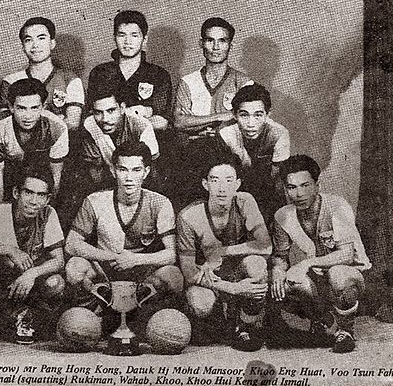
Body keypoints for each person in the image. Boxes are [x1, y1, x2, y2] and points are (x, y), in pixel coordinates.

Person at [65, 140, 183, 330]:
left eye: (136, 170)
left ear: (146, 172)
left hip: (142, 275)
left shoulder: (160, 203)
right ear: (113, 171)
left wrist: (135, 259)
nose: (129, 177)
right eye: (123, 169)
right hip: (105, 271)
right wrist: (112, 256)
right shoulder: (95, 200)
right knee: (75, 268)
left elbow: (171, 254)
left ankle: (147, 321)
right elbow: (71, 244)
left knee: (173, 276)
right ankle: (94, 318)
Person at [270, 155, 372, 353]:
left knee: (338, 275)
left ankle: (346, 329)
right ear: (285, 189)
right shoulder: (283, 215)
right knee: (289, 282)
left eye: (305, 185)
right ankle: (325, 322)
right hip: (318, 279)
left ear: (317, 185)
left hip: (352, 274)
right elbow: (280, 256)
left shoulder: (337, 206)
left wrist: (307, 264)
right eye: (291, 187)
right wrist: (277, 270)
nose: (298, 194)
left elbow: (347, 255)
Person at [0, 166, 65, 349]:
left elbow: (59, 260)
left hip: (24, 285)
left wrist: (31, 275)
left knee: (56, 282)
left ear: (47, 199)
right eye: (28, 193)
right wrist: (7, 250)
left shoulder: (48, 214)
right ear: (16, 192)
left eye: (41, 195)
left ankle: (26, 317)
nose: (34, 201)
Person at [177, 153, 272, 351]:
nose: (222, 188)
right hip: (209, 280)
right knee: (200, 304)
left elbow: (265, 245)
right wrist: (233, 289)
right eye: (215, 180)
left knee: (257, 265)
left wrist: (224, 251)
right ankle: (221, 320)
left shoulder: (245, 201)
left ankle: (246, 326)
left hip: (236, 273)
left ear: (237, 184)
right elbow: (188, 271)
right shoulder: (189, 216)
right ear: (205, 184)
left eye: (228, 181)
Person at [87, 10, 174, 195]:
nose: (127, 42)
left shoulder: (158, 75)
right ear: (114, 37)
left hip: (143, 156)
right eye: (122, 35)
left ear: (145, 39)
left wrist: (123, 119)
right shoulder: (101, 73)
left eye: (134, 35)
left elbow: (162, 122)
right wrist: (140, 113)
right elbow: (92, 118)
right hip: (105, 152)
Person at [172, 17, 250, 207]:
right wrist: (221, 117)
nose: (215, 47)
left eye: (222, 41)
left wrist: (198, 122)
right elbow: (179, 122)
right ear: (201, 43)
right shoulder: (188, 81)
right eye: (210, 40)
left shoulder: (243, 82)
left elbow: (250, 121)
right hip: (194, 153)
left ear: (230, 45)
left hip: (230, 153)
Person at [0, 78, 69, 203]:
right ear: (11, 107)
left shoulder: (58, 128)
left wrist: (47, 209)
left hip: (40, 175)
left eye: (34, 108)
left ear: (43, 107)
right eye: (21, 108)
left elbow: (56, 175)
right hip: (8, 175)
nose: (28, 116)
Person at [219, 82, 289, 225]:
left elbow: (277, 181)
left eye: (258, 115)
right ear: (234, 114)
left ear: (268, 114)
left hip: (268, 191)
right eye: (244, 115)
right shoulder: (226, 134)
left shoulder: (279, 133)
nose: (251, 123)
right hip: (236, 190)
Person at [0, 17, 85, 132]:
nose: (35, 45)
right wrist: (56, 119)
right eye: (28, 40)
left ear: (52, 43)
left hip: (59, 146)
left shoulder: (70, 80)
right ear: (23, 47)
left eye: (41, 38)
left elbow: (73, 123)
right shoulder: (11, 81)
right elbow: (4, 124)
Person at [81, 88, 159, 191]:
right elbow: (95, 174)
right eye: (98, 112)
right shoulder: (90, 125)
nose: (105, 119)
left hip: (140, 186)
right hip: (109, 185)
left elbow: (150, 174)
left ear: (122, 108)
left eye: (111, 111)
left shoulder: (142, 126)